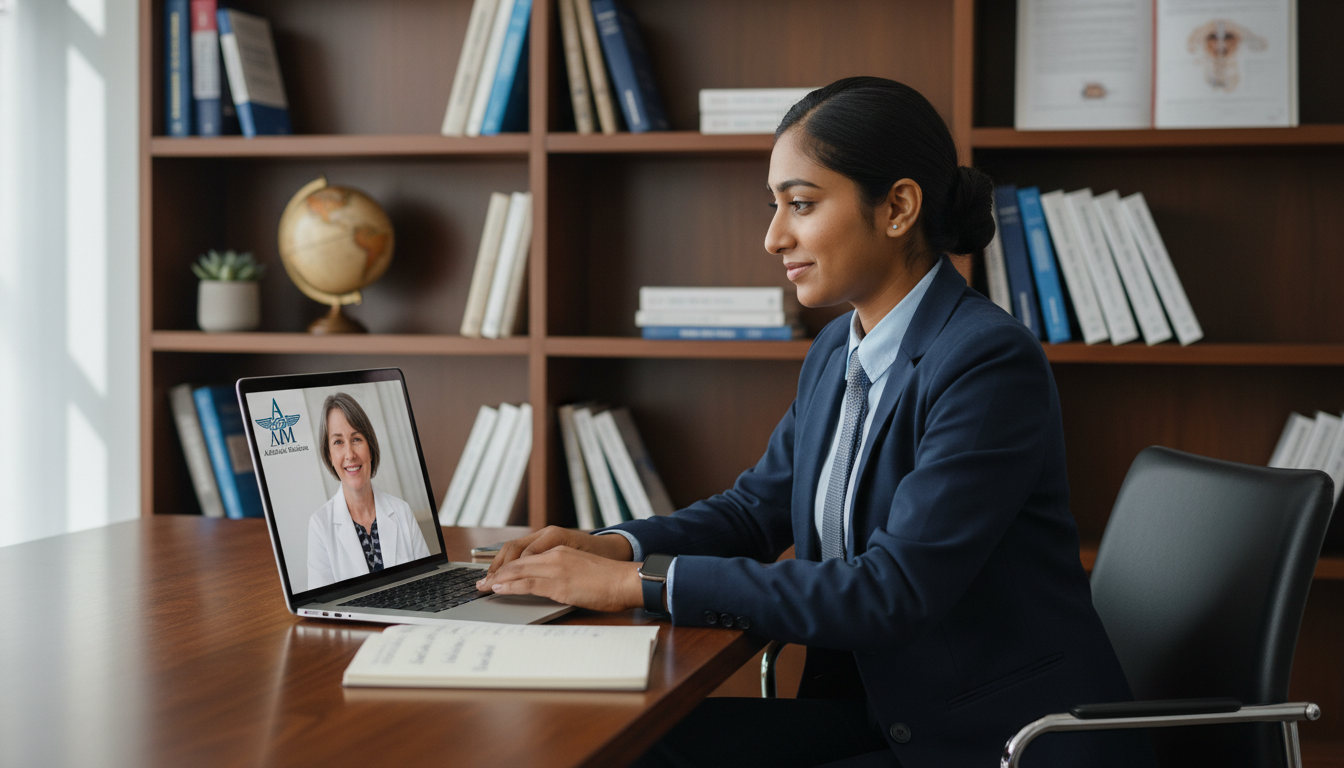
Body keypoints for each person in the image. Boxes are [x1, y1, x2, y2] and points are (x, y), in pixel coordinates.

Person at [475, 77, 1156, 768]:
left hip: (990, 739)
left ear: (897, 208)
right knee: (616, 743)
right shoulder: (839, 346)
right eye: (775, 206)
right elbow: (755, 510)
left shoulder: (986, 360)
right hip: (879, 712)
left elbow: (893, 591)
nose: (773, 237)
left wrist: (639, 585)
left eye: (800, 204)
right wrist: (614, 548)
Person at [307, 392, 430, 591]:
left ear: (370, 447)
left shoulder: (402, 511)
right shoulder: (320, 525)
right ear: (329, 455)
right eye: (338, 442)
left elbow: (428, 584)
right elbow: (321, 607)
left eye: (356, 439)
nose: (350, 454)